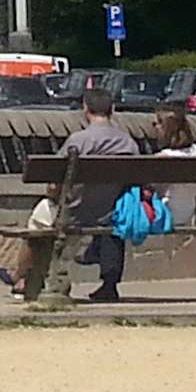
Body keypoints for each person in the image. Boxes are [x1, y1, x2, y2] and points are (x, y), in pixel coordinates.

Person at [63, 88, 140, 303]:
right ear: (112, 109)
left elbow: (57, 178)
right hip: (112, 212)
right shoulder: (128, 142)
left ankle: (29, 279)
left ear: (85, 108)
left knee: (39, 220)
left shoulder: (79, 140)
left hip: (76, 211)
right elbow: (136, 180)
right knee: (112, 221)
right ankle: (109, 284)